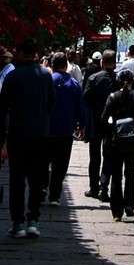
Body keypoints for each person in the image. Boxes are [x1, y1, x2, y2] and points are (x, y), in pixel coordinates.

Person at [0, 39, 55, 239]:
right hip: (40, 133)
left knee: (17, 179)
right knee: (37, 178)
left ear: (21, 52)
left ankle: (18, 223)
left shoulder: (13, 76)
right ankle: (34, 220)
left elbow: (3, 107)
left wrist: (0, 133)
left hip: (18, 133)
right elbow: (51, 104)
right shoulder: (46, 76)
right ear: (36, 54)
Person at [46, 51, 87, 205]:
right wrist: (82, 125)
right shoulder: (73, 84)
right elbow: (80, 107)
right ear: (66, 65)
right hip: (65, 130)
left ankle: (43, 186)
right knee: (61, 164)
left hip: (47, 128)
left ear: (52, 65)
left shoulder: (48, 80)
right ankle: (55, 195)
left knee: (44, 160)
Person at [103, 68, 134, 221]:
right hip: (132, 142)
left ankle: (117, 212)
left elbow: (104, 119)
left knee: (116, 175)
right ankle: (129, 204)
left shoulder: (112, 97)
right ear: (132, 81)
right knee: (130, 173)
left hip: (115, 142)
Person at [83, 50, 118, 200]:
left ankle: (94, 187)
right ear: (114, 63)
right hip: (112, 122)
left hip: (96, 121)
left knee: (94, 155)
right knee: (109, 155)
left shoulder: (93, 78)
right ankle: (104, 187)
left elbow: (85, 99)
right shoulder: (118, 80)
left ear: (102, 62)